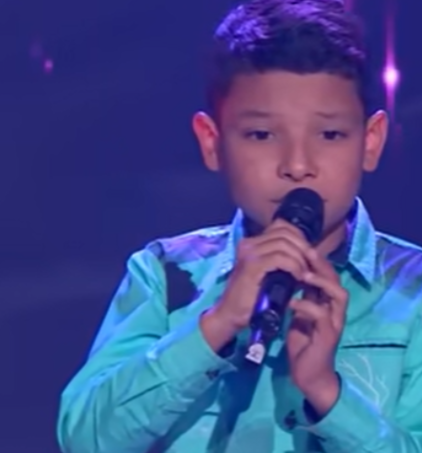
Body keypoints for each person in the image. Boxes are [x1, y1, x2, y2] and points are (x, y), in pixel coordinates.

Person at [57, 0, 422, 452]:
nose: (297, 166)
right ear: (212, 143)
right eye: (262, 135)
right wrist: (215, 326)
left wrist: (328, 395)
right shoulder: (167, 275)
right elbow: (85, 439)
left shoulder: (413, 294)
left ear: (370, 142)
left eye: (329, 134)